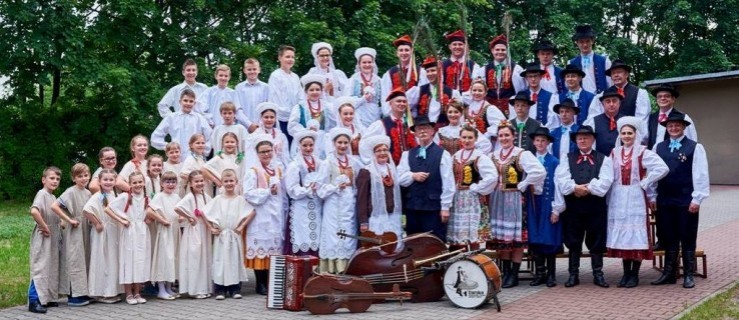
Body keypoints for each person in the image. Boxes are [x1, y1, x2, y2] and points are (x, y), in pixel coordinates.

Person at [606, 116, 668, 288]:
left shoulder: (643, 152)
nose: (626, 136)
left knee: (635, 234)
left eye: (630, 133)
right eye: (624, 133)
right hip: (618, 196)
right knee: (624, 237)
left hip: (635, 196)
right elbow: (608, 175)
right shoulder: (614, 153)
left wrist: (646, 182)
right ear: (620, 134)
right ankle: (626, 274)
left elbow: (662, 168)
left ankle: (635, 274)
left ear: (635, 134)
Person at [651, 112, 709, 289]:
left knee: (687, 235)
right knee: (668, 236)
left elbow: (701, 174)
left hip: (686, 199)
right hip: (665, 199)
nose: (673, 128)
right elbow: (653, 174)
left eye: (677, 125)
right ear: (666, 128)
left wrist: (697, 199)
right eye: (670, 126)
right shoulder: (658, 147)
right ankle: (669, 273)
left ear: (684, 127)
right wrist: (652, 195)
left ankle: (689, 274)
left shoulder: (694, 147)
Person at [553, 125, 614, 288]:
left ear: (593, 139)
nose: (582, 140)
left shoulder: (604, 159)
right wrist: (575, 188)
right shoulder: (567, 158)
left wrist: (588, 189)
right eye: (579, 138)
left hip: (595, 206)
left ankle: (598, 274)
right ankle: (573, 274)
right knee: (573, 240)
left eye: (586, 137)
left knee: (596, 240)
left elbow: (606, 182)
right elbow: (562, 180)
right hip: (574, 207)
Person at [487, 121, 546, 288]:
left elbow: (539, 171)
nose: (504, 138)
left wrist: (525, 183)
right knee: (503, 239)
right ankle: (505, 272)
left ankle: (513, 274)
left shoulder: (521, 154)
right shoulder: (493, 155)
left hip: (515, 201)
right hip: (498, 199)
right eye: (501, 136)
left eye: (507, 135)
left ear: (513, 136)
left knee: (516, 239)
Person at [398, 116, 456, 241]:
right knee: (413, 241)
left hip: (433, 207)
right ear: (416, 133)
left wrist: (445, 207)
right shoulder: (408, 154)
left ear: (432, 131)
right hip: (413, 207)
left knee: (434, 242)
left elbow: (448, 183)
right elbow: (400, 178)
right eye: (419, 129)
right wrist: (413, 176)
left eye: (426, 128)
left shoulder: (442, 154)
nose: (423, 131)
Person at [242, 134, 286, 295]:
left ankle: (271, 280)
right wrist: (267, 191)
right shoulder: (253, 172)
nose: (267, 154)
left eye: (269, 151)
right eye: (263, 152)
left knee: (273, 248)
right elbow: (248, 193)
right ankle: (260, 283)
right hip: (260, 214)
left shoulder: (277, 170)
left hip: (274, 214)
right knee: (261, 247)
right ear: (257, 153)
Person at [317, 127, 362, 273]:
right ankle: (331, 269)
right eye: (339, 142)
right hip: (333, 203)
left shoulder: (354, 162)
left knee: (348, 233)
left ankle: (347, 268)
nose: (342, 146)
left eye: (345, 142)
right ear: (334, 143)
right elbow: (320, 188)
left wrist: (352, 192)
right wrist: (335, 187)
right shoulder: (327, 162)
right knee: (332, 235)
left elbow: (358, 184)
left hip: (349, 204)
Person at [204, 169, 254, 300]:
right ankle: (220, 289)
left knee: (235, 261)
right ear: (221, 183)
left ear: (236, 182)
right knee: (220, 261)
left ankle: (235, 288)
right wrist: (211, 227)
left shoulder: (240, 199)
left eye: (231, 181)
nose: (229, 183)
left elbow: (251, 212)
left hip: (234, 235)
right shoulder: (218, 199)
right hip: (221, 235)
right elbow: (204, 213)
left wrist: (242, 226)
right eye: (226, 181)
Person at [105, 171, 152, 305]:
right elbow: (108, 209)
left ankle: (137, 292)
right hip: (130, 231)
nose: (138, 185)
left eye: (140, 182)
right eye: (135, 182)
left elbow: (151, 212)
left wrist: (149, 219)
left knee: (139, 262)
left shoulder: (147, 197)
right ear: (130, 184)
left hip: (142, 231)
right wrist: (121, 220)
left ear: (144, 183)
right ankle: (128, 294)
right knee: (128, 261)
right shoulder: (125, 196)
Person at [447, 126, 496, 251]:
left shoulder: (480, 157)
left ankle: (475, 262)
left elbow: (492, 176)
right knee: (459, 236)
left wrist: (477, 187)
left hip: (472, 198)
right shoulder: (455, 156)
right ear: (460, 139)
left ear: (475, 139)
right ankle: (459, 263)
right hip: (457, 199)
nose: (467, 140)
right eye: (464, 137)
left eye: (470, 137)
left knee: (473, 235)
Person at [50, 163, 92, 306]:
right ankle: (73, 294)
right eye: (80, 176)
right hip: (74, 229)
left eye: (86, 175)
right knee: (74, 259)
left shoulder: (87, 193)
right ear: (74, 178)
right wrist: (68, 219)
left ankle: (83, 290)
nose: (83, 178)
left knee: (84, 258)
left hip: (85, 228)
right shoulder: (70, 191)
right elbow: (55, 206)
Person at [527, 127, 562, 287]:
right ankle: (539, 272)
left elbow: (559, 186)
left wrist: (556, 209)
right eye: (537, 140)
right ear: (534, 142)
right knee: (535, 237)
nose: (540, 143)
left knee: (549, 237)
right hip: (533, 203)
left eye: (543, 140)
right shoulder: (528, 159)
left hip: (548, 203)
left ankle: (551, 275)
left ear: (548, 142)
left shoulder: (554, 162)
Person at [28, 167, 63, 314]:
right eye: (52, 178)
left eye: (57, 179)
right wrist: (44, 226)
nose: (55, 181)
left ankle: (46, 297)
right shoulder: (42, 194)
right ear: (44, 180)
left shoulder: (53, 197)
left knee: (51, 266)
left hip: (53, 236)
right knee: (40, 267)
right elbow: (34, 211)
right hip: (44, 236)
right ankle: (34, 300)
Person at [83, 169, 121, 304]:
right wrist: (97, 223)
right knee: (102, 260)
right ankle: (100, 292)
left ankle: (111, 290)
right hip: (102, 232)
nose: (108, 182)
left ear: (115, 181)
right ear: (99, 181)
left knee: (111, 260)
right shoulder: (99, 196)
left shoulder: (112, 195)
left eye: (111, 180)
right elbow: (87, 210)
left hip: (112, 231)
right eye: (105, 179)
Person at [355, 135, 403, 243]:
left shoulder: (393, 170)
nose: (382, 153)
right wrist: (363, 222)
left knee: (394, 245)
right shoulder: (366, 171)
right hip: (376, 218)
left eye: (385, 150)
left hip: (393, 216)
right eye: (378, 150)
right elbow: (361, 199)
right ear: (373, 154)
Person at [174, 170, 213, 299]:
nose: (200, 183)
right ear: (190, 183)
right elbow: (178, 208)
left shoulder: (206, 196)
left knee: (204, 258)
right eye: (196, 181)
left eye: (201, 181)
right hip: (194, 231)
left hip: (204, 231)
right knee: (195, 258)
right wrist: (190, 217)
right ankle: (194, 289)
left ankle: (203, 287)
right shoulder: (190, 197)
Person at [285, 130, 324, 256]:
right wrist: (307, 189)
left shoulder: (320, 163)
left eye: (311, 145)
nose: (308, 148)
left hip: (316, 205)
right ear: (299, 146)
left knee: (315, 235)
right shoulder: (295, 165)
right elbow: (291, 189)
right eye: (305, 145)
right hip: (301, 206)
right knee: (301, 235)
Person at [146, 171, 182, 300]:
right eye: (167, 182)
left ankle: (168, 287)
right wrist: (162, 220)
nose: (170, 184)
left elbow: (180, 211)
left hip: (174, 231)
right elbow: (149, 211)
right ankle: (161, 289)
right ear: (161, 184)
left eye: (173, 182)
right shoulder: (159, 197)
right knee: (163, 258)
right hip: (165, 231)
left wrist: (181, 217)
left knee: (172, 258)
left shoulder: (176, 197)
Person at [474, 34, 525, 119]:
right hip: (490, 108)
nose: (500, 52)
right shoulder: (484, 70)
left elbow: (520, 91)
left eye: (503, 50)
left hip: (510, 109)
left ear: (507, 51)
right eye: (497, 50)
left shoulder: (516, 69)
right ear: (492, 51)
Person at [151, 89, 213, 156]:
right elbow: (155, 137)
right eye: (185, 100)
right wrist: (167, 146)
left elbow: (210, 136)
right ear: (180, 102)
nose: (188, 103)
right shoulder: (171, 118)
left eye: (191, 101)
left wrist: (204, 150)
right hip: (176, 157)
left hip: (195, 157)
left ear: (194, 103)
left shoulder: (199, 118)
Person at [364, 89, 418, 165]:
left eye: (404, 101)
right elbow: (364, 143)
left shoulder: (410, 123)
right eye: (398, 101)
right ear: (390, 103)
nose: (402, 103)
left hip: (410, 167)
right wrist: (373, 162)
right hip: (390, 168)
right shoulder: (380, 124)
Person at [288, 74, 335, 158]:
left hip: (322, 143)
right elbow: (292, 126)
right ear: (306, 91)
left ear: (321, 91)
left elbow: (333, 125)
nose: (315, 92)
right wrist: (306, 130)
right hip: (305, 143)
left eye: (317, 90)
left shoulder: (327, 107)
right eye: (311, 90)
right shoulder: (299, 107)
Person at [407, 56, 461, 126]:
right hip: (424, 131)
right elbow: (405, 105)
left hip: (442, 132)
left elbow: (459, 113)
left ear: (439, 71)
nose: (430, 74)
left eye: (433, 70)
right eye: (428, 71)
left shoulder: (452, 92)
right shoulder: (418, 90)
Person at [380, 35, 427, 112]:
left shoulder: (420, 72)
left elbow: (422, 94)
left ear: (411, 51)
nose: (404, 53)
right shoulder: (390, 73)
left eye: (406, 50)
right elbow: (385, 96)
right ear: (397, 53)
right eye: (401, 50)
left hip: (415, 114)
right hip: (395, 114)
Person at [268, 45, 303, 145]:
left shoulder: (295, 77)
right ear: (280, 58)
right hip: (282, 119)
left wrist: (298, 113)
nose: (290, 59)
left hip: (295, 120)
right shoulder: (276, 76)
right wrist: (290, 113)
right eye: (287, 57)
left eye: (292, 57)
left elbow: (300, 97)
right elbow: (276, 99)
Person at [645, 84, 698, 150]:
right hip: (654, 157)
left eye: (666, 96)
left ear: (673, 99)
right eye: (659, 96)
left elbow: (691, 140)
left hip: (674, 156)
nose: (662, 98)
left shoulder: (683, 117)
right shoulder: (650, 118)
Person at [344, 47, 382, 127]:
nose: (367, 65)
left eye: (369, 62)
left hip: (374, 116)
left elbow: (384, 100)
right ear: (359, 64)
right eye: (364, 62)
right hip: (358, 116)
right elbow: (347, 102)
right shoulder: (353, 80)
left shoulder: (379, 81)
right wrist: (363, 99)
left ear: (373, 64)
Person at [568, 25, 612, 94]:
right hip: (580, 100)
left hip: (600, 99)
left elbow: (610, 85)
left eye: (587, 41)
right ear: (577, 43)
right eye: (581, 42)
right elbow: (569, 86)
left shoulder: (605, 61)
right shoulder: (571, 63)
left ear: (593, 41)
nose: (585, 45)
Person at [198, 64, 244, 128]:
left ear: (229, 77)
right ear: (216, 76)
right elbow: (199, 108)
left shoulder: (233, 93)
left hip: (229, 127)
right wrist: (209, 121)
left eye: (226, 76)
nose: (223, 78)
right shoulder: (209, 92)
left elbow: (237, 111)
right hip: (212, 128)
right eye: (221, 75)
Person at [519, 63, 560, 129]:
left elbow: (553, 120)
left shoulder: (550, 97)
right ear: (526, 78)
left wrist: (542, 130)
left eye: (535, 76)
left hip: (543, 133)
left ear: (540, 77)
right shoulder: (521, 96)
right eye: (530, 76)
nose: (533, 79)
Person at [584, 87, 623, 155]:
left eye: (614, 101)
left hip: (622, 162)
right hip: (599, 161)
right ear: (603, 104)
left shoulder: (627, 120)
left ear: (619, 103)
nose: (611, 104)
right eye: (608, 101)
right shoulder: (592, 122)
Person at [235, 58, 270, 132]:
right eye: (249, 69)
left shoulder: (266, 88)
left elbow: (267, 109)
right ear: (244, 70)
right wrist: (249, 124)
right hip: (243, 127)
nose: (252, 72)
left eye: (254, 69)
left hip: (262, 127)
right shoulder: (238, 88)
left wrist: (259, 125)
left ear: (259, 70)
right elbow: (237, 110)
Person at [253, 102, 291, 168]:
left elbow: (285, 157)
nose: (269, 120)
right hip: (262, 168)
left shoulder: (281, 136)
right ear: (261, 118)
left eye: (272, 117)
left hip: (280, 168)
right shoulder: (255, 135)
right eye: (266, 117)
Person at [328, 96, 366, 163]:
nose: (349, 116)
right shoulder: (334, 133)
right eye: (345, 114)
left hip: (361, 162)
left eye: (351, 114)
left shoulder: (361, 130)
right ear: (339, 115)